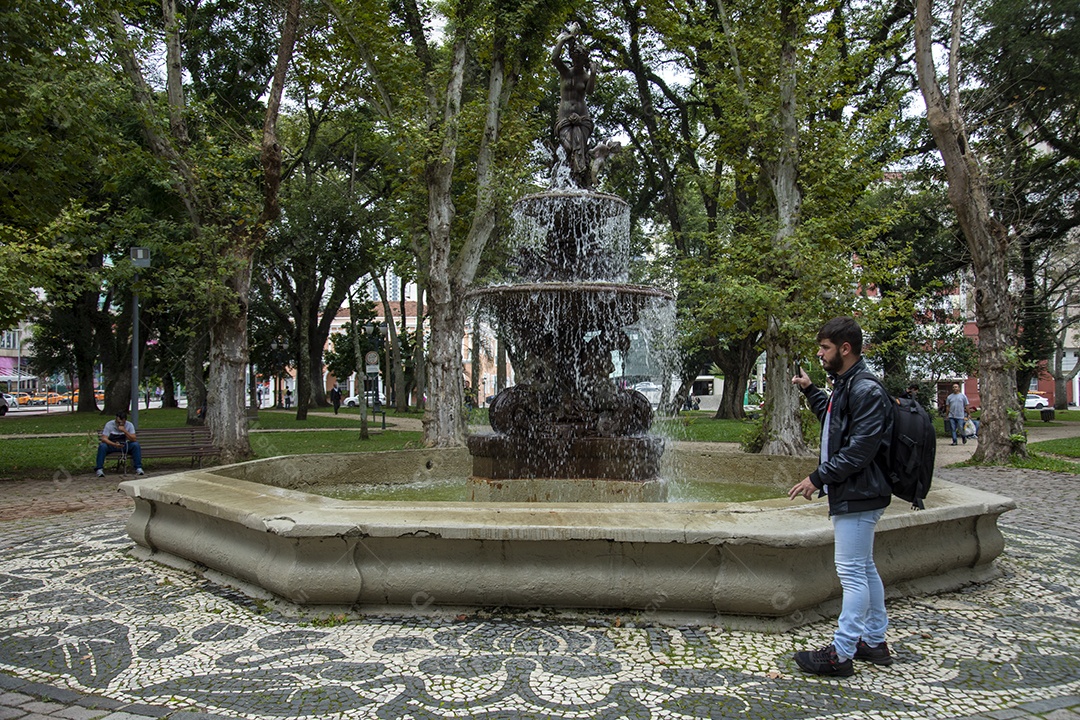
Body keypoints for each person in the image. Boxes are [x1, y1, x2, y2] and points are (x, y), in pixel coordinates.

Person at [789, 316, 894, 677]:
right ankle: (875, 641)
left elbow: (859, 450)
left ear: (844, 349)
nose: (819, 353)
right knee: (864, 568)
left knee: (851, 573)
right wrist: (810, 390)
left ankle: (842, 652)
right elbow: (835, 421)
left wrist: (816, 478)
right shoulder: (849, 384)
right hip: (859, 491)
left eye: (825, 347)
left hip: (860, 493)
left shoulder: (865, 389)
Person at [551, 23, 596, 187]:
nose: (576, 60)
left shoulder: (585, 76)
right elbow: (554, 58)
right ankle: (569, 180)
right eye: (574, 57)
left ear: (584, 60)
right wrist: (563, 40)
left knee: (581, 149)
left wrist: (593, 73)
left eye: (580, 58)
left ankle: (580, 180)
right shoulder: (565, 72)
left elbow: (590, 92)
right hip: (564, 116)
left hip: (582, 117)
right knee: (569, 147)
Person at [95, 410, 143, 477]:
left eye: (122, 422)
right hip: (112, 445)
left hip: (124, 445)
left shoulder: (129, 425)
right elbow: (104, 438)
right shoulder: (109, 424)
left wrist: (124, 430)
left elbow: (134, 439)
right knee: (102, 446)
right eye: (118, 422)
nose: (120, 424)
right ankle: (99, 469)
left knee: (136, 445)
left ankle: (138, 468)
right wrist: (114, 444)